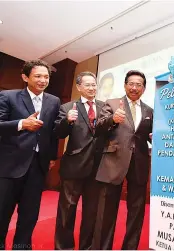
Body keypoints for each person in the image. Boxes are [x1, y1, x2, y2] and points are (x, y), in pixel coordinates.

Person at [0, 60, 60, 250]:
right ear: (25, 77)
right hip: (10, 166)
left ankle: (21, 247)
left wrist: (51, 157)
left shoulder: (54, 101)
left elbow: (52, 132)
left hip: (37, 167)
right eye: (38, 76)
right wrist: (21, 124)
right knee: (2, 212)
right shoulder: (8, 96)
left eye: (46, 77)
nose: (43, 80)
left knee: (29, 216)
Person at [92, 70, 153, 250]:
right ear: (125, 85)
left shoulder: (149, 110)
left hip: (139, 164)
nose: (134, 87)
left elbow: (147, 136)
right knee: (107, 211)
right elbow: (98, 128)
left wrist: (154, 137)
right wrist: (112, 119)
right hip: (113, 163)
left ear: (144, 88)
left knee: (136, 211)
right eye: (131, 84)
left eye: (139, 85)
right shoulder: (111, 103)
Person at [54, 71, 104, 250]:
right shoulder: (68, 107)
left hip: (98, 169)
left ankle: (87, 247)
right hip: (74, 168)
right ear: (79, 87)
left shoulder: (104, 106)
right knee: (67, 211)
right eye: (88, 85)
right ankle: (63, 247)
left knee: (91, 213)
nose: (92, 88)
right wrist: (67, 121)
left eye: (94, 84)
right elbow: (58, 133)